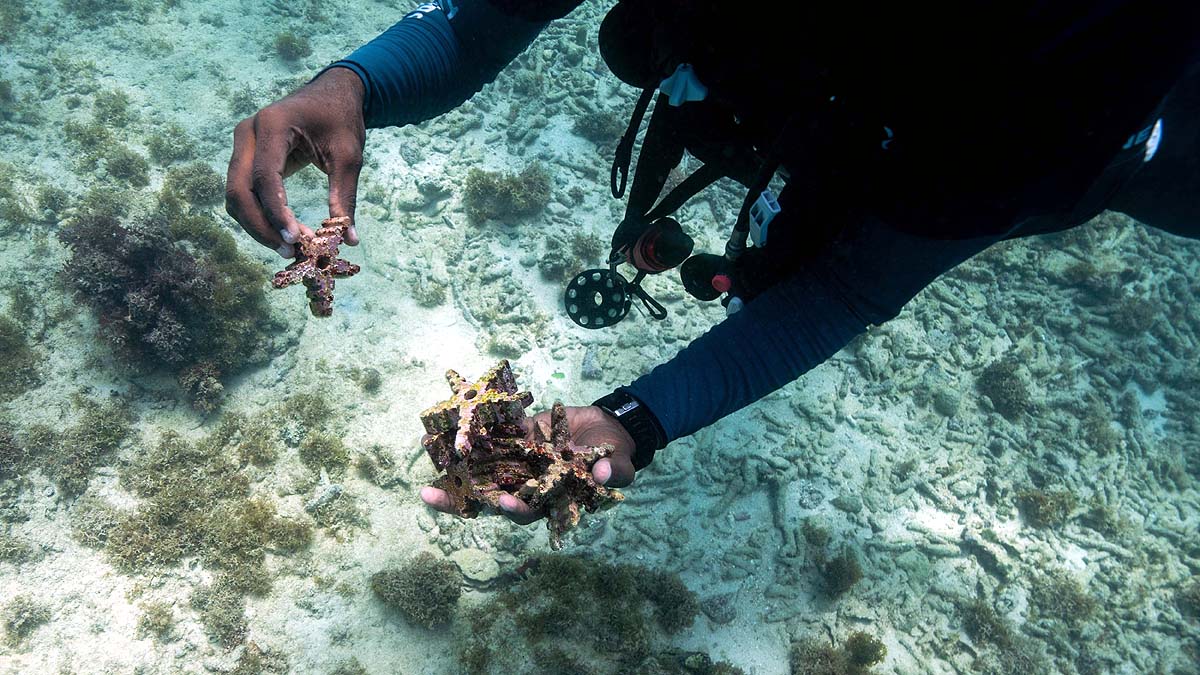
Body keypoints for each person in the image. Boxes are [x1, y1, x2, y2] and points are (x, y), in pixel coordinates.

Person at [226, 0, 1200, 527]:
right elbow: (489, 15)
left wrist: (640, 420)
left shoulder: (1051, 76)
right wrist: (352, 84)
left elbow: (849, 288)